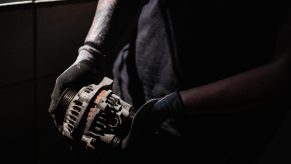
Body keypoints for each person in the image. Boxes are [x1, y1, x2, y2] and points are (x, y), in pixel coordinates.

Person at [49, 0, 291, 163]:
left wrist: (169, 106)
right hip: (128, 94)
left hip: (211, 134)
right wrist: (91, 51)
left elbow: (284, 71)